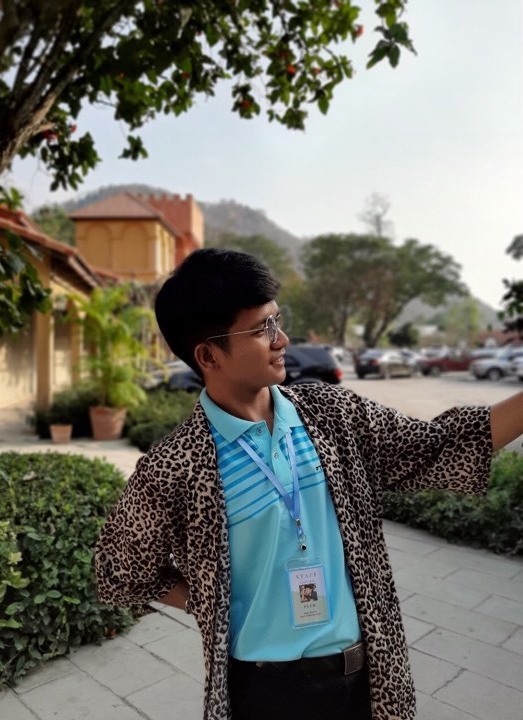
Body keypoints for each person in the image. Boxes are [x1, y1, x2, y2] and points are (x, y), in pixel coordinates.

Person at [95, 248, 523, 720]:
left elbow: (441, 445)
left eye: (277, 321)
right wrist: (207, 600)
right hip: (266, 690)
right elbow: (120, 571)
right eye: (261, 329)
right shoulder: (176, 465)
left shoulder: (332, 415)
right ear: (208, 355)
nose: (281, 340)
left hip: (367, 678)